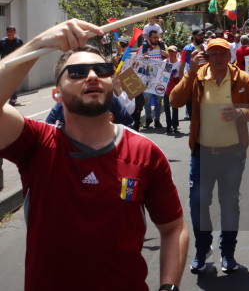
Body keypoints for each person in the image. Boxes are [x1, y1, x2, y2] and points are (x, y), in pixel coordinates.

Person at [0, 19, 188, 290]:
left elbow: (174, 229)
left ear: (111, 82)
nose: (91, 76)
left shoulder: (146, 153)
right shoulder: (35, 143)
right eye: (76, 72)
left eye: (101, 70)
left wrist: (169, 286)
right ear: (56, 94)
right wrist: (39, 43)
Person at [169, 37, 249, 274]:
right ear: (207, 57)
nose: (218, 58)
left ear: (230, 56)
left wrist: (240, 113)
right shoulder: (198, 77)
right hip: (202, 154)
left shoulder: (241, 79)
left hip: (233, 155)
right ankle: (202, 250)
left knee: (229, 205)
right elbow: (175, 100)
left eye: (223, 53)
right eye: (213, 54)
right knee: (198, 204)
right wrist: (190, 73)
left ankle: (228, 253)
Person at [140, 29, 167, 129]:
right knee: (147, 100)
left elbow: (168, 60)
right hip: (148, 79)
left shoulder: (161, 46)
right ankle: (148, 119)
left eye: (157, 37)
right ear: (149, 38)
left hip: (159, 80)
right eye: (154, 37)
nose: (156, 39)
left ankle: (157, 120)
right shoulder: (144, 47)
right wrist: (144, 57)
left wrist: (166, 55)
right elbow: (139, 61)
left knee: (158, 101)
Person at [179, 29, 206, 121]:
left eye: (202, 35)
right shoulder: (187, 49)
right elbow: (182, 65)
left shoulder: (207, 47)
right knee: (190, 101)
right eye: (199, 35)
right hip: (191, 78)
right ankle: (192, 120)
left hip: (204, 78)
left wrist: (204, 51)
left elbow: (212, 61)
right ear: (193, 36)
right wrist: (181, 81)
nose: (201, 37)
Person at [1, 26, 24, 105]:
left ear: (14, 32)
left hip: (15, 64)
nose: (9, 33)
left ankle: (13, 98)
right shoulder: (3, 42)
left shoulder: (18, 41)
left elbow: (22, 52)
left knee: (12, 81)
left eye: (10, 32)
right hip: (5, 64)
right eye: (8, 32)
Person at [163, 45, 181, 134]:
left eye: (173, 51)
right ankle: (168, 125)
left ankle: (174, 126)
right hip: (166, 89)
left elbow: (182, 76)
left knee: (174, 107)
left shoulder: (180, 63)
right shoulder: (165, 62)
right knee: (166, 108)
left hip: (175, 90)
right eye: (169, 51)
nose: (171, 53)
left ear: (176, 53)